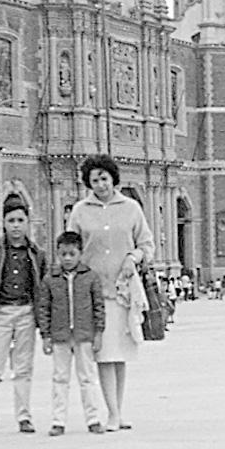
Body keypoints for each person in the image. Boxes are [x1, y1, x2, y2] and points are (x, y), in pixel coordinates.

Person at [67, 154, 154, 432]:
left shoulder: (131, 208)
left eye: (104, 178)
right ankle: (112, 413)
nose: (100, 184)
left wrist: (134, 256)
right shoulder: (80, 211)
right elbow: (71, 247)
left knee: (120, 354)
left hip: (122, 290)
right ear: (88, 183)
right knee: (104, 353)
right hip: (94, 291)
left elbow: (147, 244)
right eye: (94, 180)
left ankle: (119, 410)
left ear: (113, 178)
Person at [0, 195, 47, 436]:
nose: (16, 225)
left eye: (20, 220)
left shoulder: (37, 253)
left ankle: (24, 416)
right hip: (1, 311)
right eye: (11, 220)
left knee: (23, 368)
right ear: (3, 222)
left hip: (26, 311)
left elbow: (42, 283)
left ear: (27, 223)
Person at [38, 231, 106, 436]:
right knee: (60, 378)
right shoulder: (50, 279)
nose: (67, 258)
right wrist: (45, 336)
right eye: (63, 254)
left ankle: (93, 418)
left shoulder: (91, 277)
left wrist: (99, 332)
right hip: (60, 335)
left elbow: (99, 306)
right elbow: (44, 308)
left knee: (87, 378)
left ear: (80, 253)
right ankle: (58, 420)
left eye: (72, 254)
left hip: (84, 334)